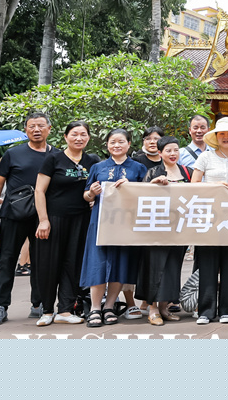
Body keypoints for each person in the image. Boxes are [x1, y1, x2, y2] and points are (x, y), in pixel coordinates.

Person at [0, 112, 58, 327]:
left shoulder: (56, 155)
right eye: (32, 126)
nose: (36, 130)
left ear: (49, 128)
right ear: (26, 130)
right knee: (7, 261)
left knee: (42, 261)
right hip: (13, 216)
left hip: (43, 217)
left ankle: (38, 305)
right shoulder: (13, 154)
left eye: (41, 126)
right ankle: (0, 306)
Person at [33, 120, 100, 326]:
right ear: (65, 137)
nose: (79, 138)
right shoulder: (53, 159)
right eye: (74, 134)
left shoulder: (93, 161)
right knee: (49, 263)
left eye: (83, 134)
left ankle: (64, 310)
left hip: (81, 220)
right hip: (54, 219)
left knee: (73, 264)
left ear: (88, 138)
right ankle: (46, 310)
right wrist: (43, 220)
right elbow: (39, 191)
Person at [79, 128, 148, 327]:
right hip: (100, 221)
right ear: (107, 145)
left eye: (121, 142)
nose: (116, 145)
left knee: (121, 263)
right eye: (112, 142)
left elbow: (146, 195)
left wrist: (132, 187)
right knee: (97, 262)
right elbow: (86, 196)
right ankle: (95, 308)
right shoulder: (98, 167)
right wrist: (92, 192)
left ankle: (110, 306)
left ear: (129, 144)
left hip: (125, 223)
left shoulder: (138, 168)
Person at [191, 117, 228, 325]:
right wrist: (217, 186)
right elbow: (194, 184)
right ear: (216, 137)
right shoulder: (205, 158)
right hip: (209, 216)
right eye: (222, 133)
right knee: (207, 262)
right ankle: (206, 311)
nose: (226, 137)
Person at [137, 136, 192, 326]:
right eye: (168, 150)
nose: (173, 154)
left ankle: (164, 307)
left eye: (176, 150)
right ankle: (152, 308)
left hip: (180, 228)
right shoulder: (153, 172)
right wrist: (153, 185)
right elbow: (141, 197)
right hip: (157, 228)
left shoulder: (188, 171)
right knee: (154, 266)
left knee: (173, 267)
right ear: (160, 153)